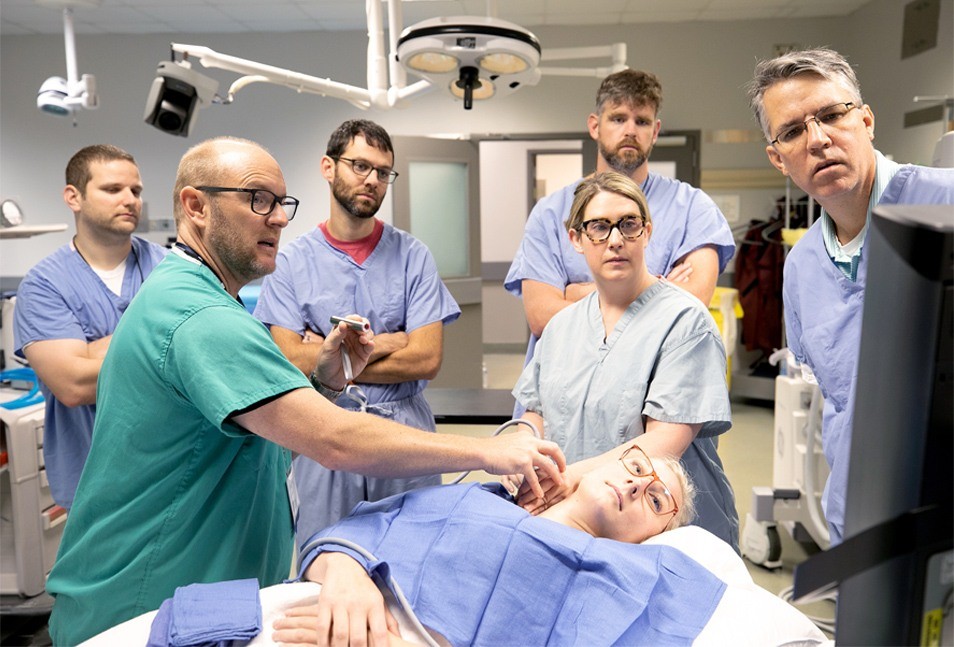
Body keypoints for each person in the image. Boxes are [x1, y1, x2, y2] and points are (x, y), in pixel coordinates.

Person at [44, 136, 566, 647]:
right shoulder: (199, 317)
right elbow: (332, 440)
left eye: (281, 203)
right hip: (144, 599)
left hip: (197, 591)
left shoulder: (204, 300)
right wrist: (491, 449)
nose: (277, 217)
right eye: (258, 199)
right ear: (194, 205)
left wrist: (324, 381)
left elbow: (263, 430)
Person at [746, 47, 954, 545]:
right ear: (778, 158)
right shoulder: (800, 269)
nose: (818, 139)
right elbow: (840, 399)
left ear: (865, 120)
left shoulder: (945, 202)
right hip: (864, 518)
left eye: (832, 115)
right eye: (793, 131)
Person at [273, 447, 716, 646]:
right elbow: (352, 534)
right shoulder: (478, 496)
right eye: (636, 466)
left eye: (658, 500)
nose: (638, 484)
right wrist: (346, 574)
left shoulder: (609, 582)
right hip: (314, 613)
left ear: (651, 539)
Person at [511, 171, 738, 551]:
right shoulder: (561, 327)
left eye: (629, 224)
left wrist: (569, 479)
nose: (615, 239)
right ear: (577, 240)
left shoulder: (686, 322)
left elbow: (664, 442)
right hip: (581, 522)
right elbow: (535, 413)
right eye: (599, 227)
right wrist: (521, 455)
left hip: (663, 534)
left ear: (647, 232)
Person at [255, 120, 460, 540]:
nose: (373, 180)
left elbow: (426, 358)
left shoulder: (412, 256)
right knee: (327, 559)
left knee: (413, 557)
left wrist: (330, 358)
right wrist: (389, 342)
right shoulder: (292, 262)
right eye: (360, 166)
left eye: (383, 172)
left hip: (402, 433)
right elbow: (287, 359)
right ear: (328, 167)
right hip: (324, 427)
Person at [504, 69, 736, 409]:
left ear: (655, 131)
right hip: (564, 396)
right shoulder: (551, 212)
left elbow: (689, 310)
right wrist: (655, 287)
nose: (630, 130)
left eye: (642, 121)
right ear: (595, 125)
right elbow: (542, 316)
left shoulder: (693, 209)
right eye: (618, 118)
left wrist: (578, 292)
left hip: (657, 397)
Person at [12, 144, 166, 509]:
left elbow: (207, 354)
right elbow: (74, 384)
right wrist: (163, 341)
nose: (130, 200)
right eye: (113, 190)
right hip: (95, 483)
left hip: (172, 473)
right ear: (73, 197)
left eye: (136, 191)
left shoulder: (171, 268)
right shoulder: (43, 285)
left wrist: (89, 349)